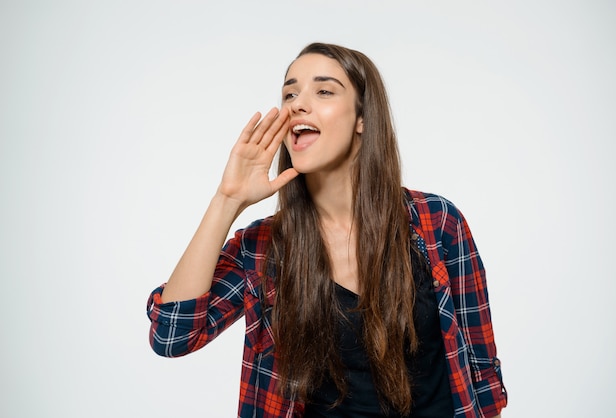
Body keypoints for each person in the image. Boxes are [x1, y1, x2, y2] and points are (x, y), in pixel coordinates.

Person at [146, 42, 507, 418]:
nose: (298, 104)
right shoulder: (264, 247)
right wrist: (227, 200)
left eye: (324, 90)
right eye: (290, 93)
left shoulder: (437, 222)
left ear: (362, 118)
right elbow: (172, 335)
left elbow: (482, 377)